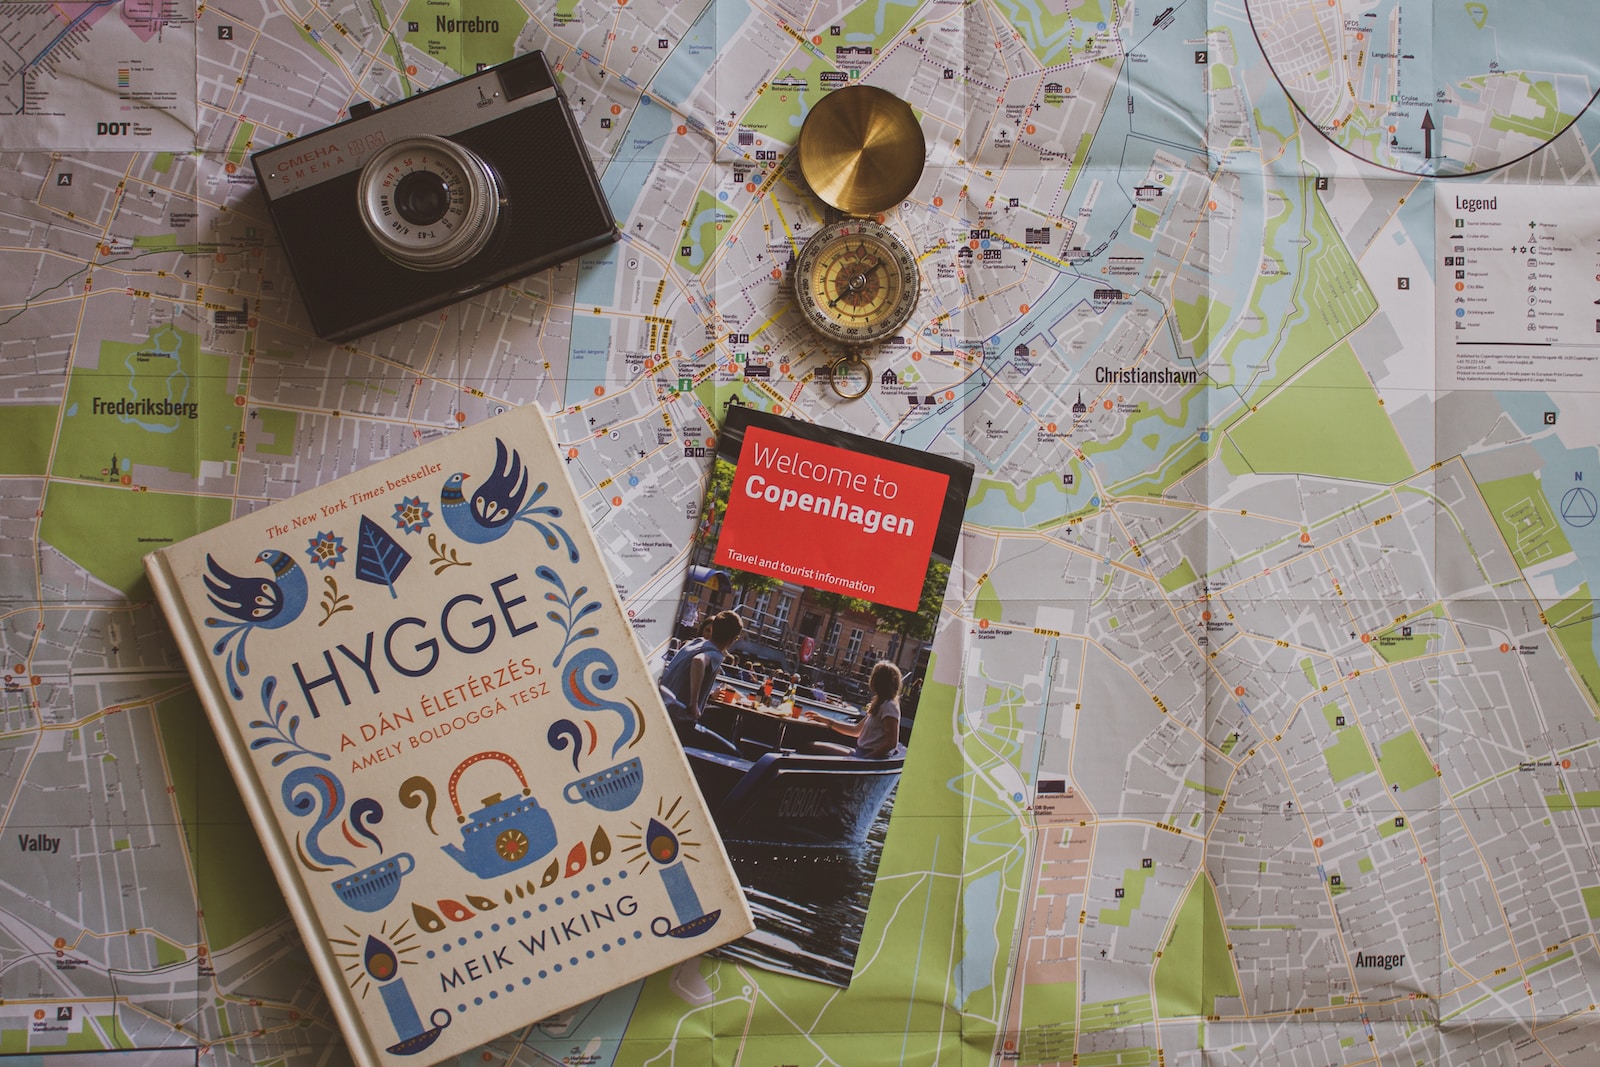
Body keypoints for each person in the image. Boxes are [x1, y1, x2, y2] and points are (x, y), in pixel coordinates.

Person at [658, 610, 743, 755]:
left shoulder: (695, 642)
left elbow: (684, 676)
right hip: (679, 721)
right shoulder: (716, 655)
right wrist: (694, 703)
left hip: (661, 708)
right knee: (734, 754)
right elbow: (698, 661)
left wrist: (708, 696)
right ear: (734, 639)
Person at [807, 660, 902, 759]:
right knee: (813, 746)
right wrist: (825, 720)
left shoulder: (889, 706)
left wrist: (864, 760)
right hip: (860, 752)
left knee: (812, 746)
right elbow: (855, 730)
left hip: (864, 755)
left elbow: (891, 743)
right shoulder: (880, 704)